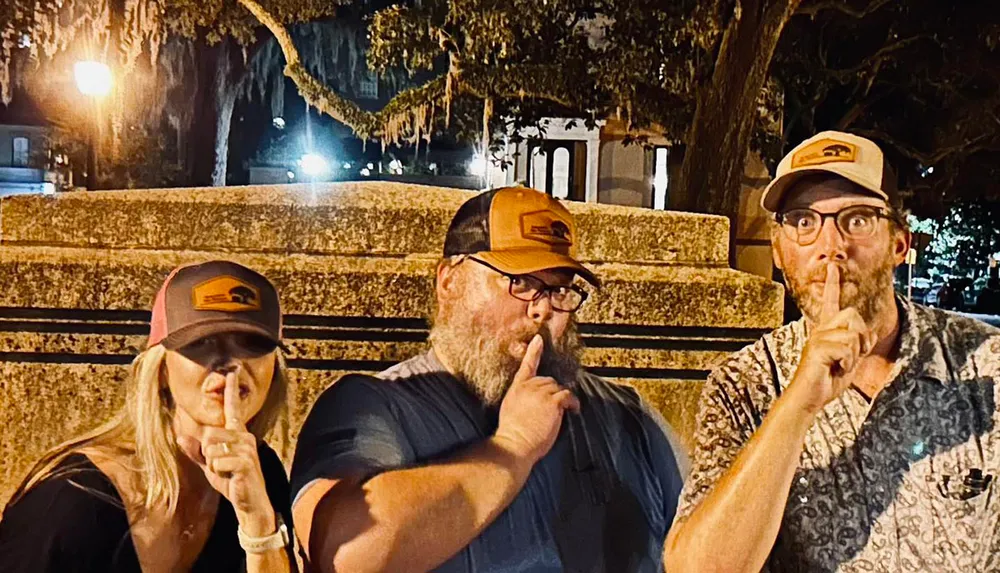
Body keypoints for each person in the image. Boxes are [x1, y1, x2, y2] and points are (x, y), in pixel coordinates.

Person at [291, 186, 685, 572]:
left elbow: (704, 546)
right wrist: (512, 448)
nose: (542, 310)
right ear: (449, 282)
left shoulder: (626, 415)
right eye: (521, 283)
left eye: (559, 289)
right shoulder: (376, 406)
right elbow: (345, 552)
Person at [664, 131, 1000, 572]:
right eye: (803, 222)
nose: (831, 247)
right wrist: (799, 402)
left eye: (857, 219)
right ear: (780, 251)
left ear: (900, 243)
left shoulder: (986, 366)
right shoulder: (745, 385)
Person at [0, 260, 297, 572]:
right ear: (162, 369)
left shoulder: (259, 474)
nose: (229, 363)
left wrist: (258, 522)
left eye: (251, 343)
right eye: (202, 342)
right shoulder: (71, 503)